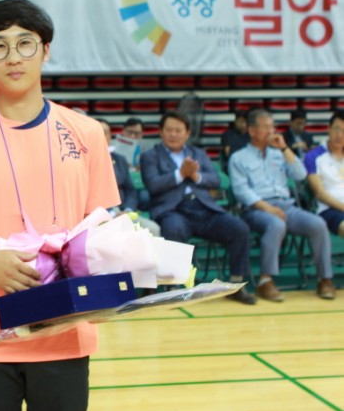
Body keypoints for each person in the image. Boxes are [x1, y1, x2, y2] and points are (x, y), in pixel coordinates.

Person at [0, 0, 118, 411]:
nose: (13, 57)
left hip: (65, 331)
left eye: (25, 43)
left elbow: (101, 226)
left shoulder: (86, 133)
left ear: (45, 50)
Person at [140, 111, 256, 305]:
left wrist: (195, 176)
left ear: (187, 133)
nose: (173, 134)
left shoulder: (198, 154)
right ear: (160, 132)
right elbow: (153, 184)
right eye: (169, 130)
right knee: (172, 228)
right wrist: (180, 174)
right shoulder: (150, 156)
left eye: (178, 130)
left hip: (203, 209)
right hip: (173, 210)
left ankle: (236, 283)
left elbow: (215, 179)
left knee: (240, 228)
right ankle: (173, 288)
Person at [229, 109, 335, 301]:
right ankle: (265, 281)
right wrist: (268, 208)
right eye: (265, 127)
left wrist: (285, 149)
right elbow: (241, 191)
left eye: (272, 126)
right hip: (256, 209)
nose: (271, 131)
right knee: (276, 224)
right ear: (252, 130)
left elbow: (301, 175)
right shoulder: (238, 158)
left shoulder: (279, 154)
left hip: (287, 207)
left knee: (318, 224)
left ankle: (324, 279)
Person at [96, 118, 160, 237]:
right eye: (97, 132)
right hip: (100, 215)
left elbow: (130, 190)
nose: (102, 136)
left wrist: (128, 210)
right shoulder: (84, 162)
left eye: (105, 132)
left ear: (110, 136)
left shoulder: (120, 159)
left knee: (153, 229)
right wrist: (112, 213)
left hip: (123, 211)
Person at [304, 111, 344, 239]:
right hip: (329, 209)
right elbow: (319, 194)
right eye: (337, 129)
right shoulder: (313, 157)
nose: (339, 135)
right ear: (329, 129)